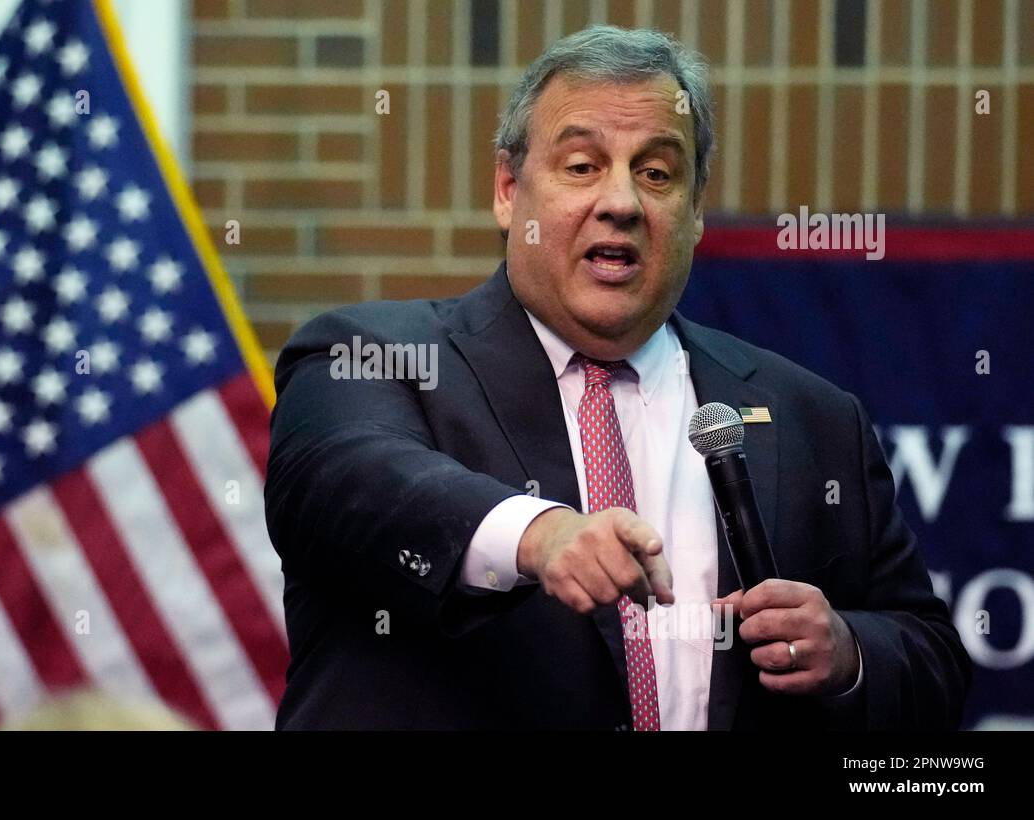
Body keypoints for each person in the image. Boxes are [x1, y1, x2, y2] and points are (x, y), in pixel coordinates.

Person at [264, 24, 970, 730]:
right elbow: (345, 483)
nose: (623, 202)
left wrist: (848, 652)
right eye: (581, 166)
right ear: (509, 190)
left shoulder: (810, 416)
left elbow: (932, 659)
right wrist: (541, 536)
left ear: (694, 211)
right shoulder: (369, 354)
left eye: (657, 173)